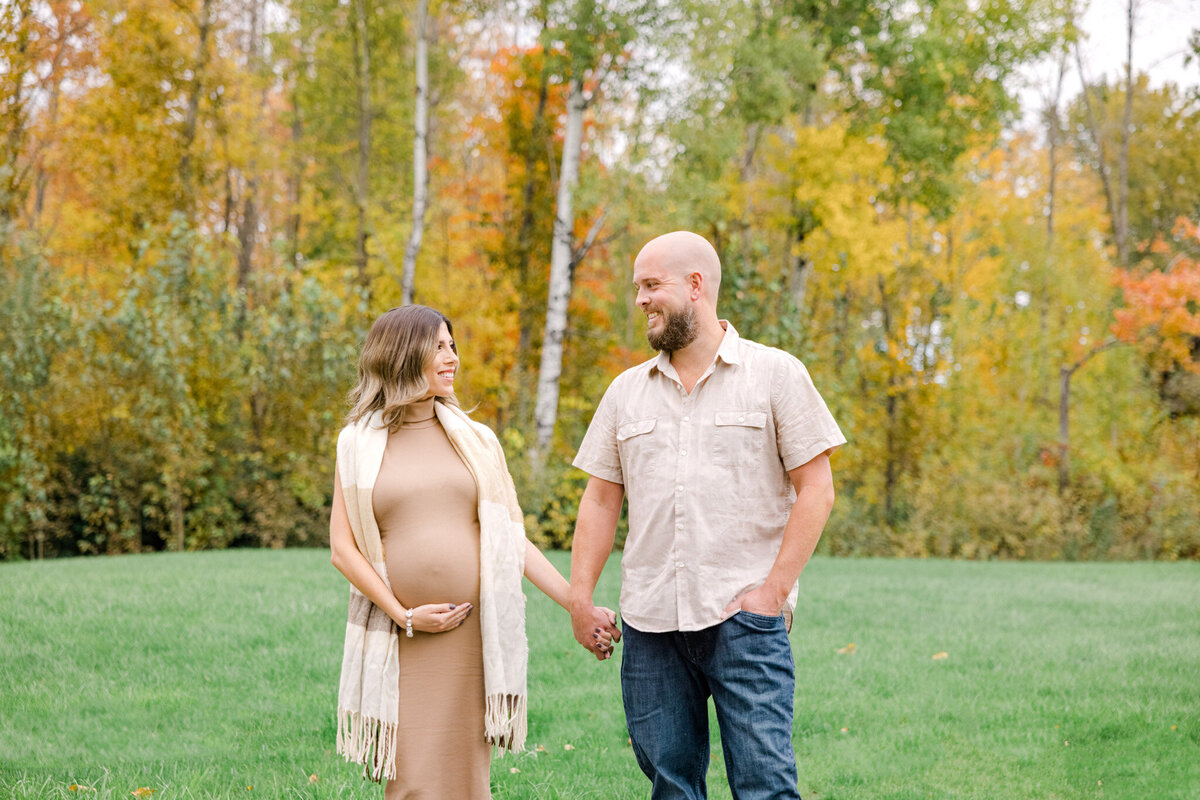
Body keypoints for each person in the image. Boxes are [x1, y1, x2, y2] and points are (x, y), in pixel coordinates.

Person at [568, 231, 846, 800]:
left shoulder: (776, 375)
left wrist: (772, 594)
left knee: (765, 787)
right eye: (636, 287)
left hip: (745, 621)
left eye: (652, 285)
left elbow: (816, 488)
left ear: (696, 286)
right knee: (672, 787)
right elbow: (600, 500)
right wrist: (579, 597)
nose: (640, 299)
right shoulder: (625, 393)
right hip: (650, 626)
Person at [328, 304, 618, 799]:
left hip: (469, 633)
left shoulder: (477, 440)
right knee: (411, 782)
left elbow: (510, 540)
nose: (452, 357)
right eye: (438, 346)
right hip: (404, 635)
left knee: (466, 780)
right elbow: (343, 549)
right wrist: (405, 616)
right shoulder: (357, 443)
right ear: (402, 354)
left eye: (452, 345)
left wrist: (577, 603)